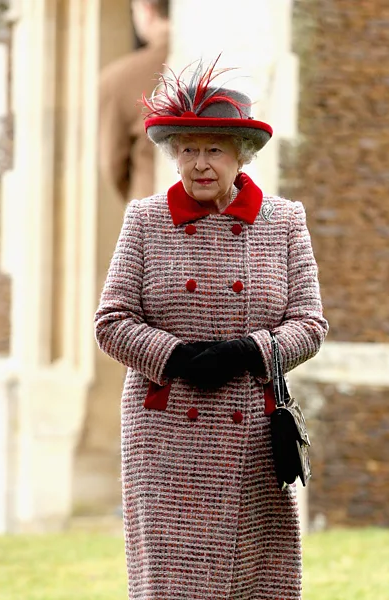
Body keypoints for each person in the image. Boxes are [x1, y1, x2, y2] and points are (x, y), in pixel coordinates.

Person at [95, 57, 329, 599]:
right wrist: (176, 358)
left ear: (240, 155)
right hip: (166, 433)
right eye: (187, 149)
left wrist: (251, 350)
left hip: (251, 430)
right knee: (175, 582)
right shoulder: (145, 220)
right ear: (174, 152)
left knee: (257, 580)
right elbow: (112, 321)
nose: (199, 164)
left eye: (214, 149)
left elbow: (310, 325)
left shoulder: (284, 221)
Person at [98, 0, 170, 204]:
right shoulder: (222, 61)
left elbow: (114, 166)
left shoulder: (119, 79)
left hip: (152, 215)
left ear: (146, 9)